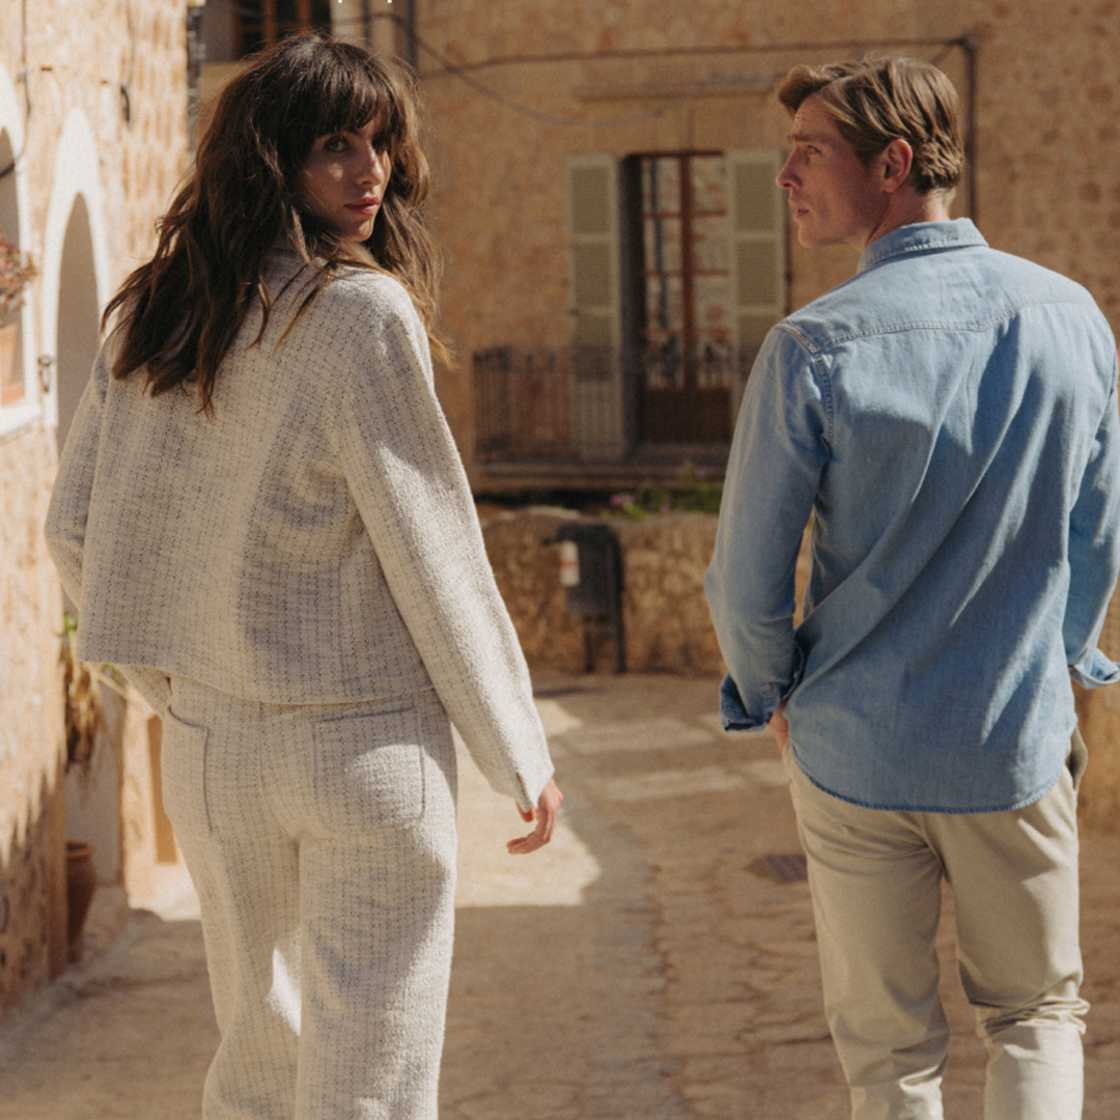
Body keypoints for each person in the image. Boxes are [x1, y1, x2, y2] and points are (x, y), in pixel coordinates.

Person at [45, 33, 562, 1120]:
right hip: (362, 746)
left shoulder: (151, 311)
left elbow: (73, 526)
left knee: (257, 1075)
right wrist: (515, 745)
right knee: (370, 1079)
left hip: (215, 754)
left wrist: (176, 688)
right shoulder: (357, 315)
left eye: (380, 143)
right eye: (335, 146)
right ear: (270, 157)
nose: (370, 171)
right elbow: (431, 547)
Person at [705, 55, 1120, 1119]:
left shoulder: (811, 348)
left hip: (856, 751)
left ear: (891, 165)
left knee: (888, 1055)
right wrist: (1059, 666)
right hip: (1010, 741)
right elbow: (1094, 535)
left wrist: (770, 691)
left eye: (808, 154)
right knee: (1035, 1014)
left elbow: (744, 579)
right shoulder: (1073, 318)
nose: (785, 177)